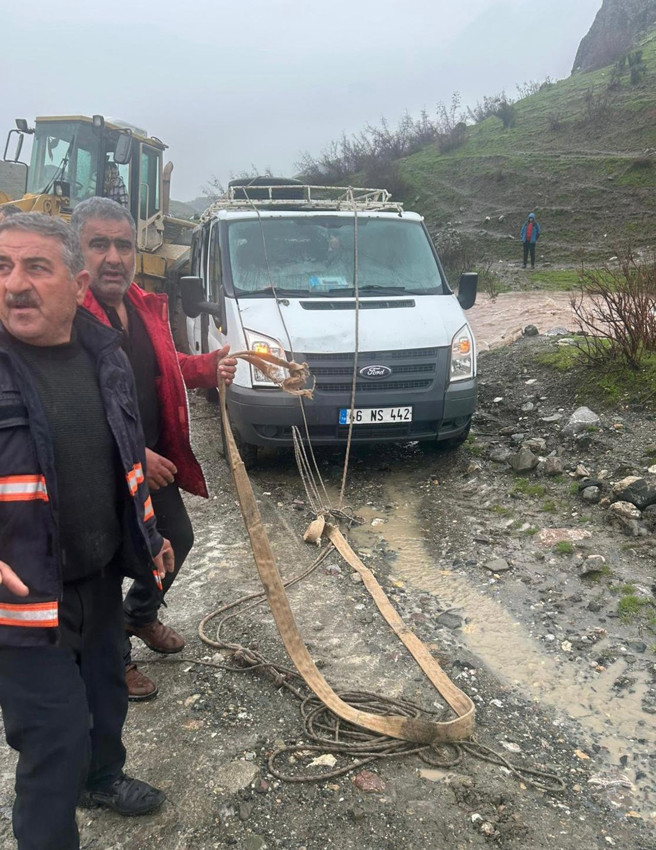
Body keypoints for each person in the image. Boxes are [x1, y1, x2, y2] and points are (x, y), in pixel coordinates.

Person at [0, 213, 175, 849]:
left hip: (99, 577)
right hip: (22, 602)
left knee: (106, 700)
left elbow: (123, 461)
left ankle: (103, 780)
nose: (15, 284)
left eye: (35, 268)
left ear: (75, 288)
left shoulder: (105, 360)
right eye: (2, 267)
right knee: (54, 738)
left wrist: (150, 538)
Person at [71, 197, 237, 701]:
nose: (114, 257)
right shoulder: (71, 318)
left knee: (177, 540)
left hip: (152, 464)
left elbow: (162, 369)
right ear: (77, 251)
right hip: (100, 471)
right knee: (105, 567)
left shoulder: (141, 306)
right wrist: (135, 453)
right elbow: (72, 406)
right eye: (99, 245)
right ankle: (113, 661)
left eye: (123, 244)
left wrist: (207, 368)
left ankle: (139, 616)